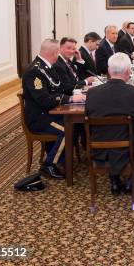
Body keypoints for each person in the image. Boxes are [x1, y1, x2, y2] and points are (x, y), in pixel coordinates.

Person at [85, 53, 134, 195]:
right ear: (128, 71)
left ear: (108, 70)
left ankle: (114, 180)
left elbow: (87, 119)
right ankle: (133, 178)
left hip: (100, 149)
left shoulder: (92, 93)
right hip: (130, 150)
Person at [21, 39, 85, 179]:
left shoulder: (47, 67)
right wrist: (70, 99)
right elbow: (44, 100)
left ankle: (59, 156)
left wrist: (72, 96)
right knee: (68, 128)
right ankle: (49, 164)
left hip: (52, 112)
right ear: (55, 53)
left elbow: (58, 88)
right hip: (40, 118)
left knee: (76, 122)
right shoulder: (34, 72)